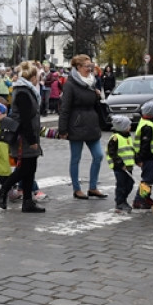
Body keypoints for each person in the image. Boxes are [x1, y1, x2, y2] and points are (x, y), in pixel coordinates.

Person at [0, 61, 45, 213]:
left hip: (29, 135)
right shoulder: (23, 92)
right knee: (24, 169)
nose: (38, 78)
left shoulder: (27, 90)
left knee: (31, 169)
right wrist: (31, 140)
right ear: (31, 77)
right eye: (37, 75)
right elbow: (24, 119)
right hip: (23, 137)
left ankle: (28, 202)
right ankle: (3, 190)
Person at [57, 54, 107, 200]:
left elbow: (95, 103)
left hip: (92, 124)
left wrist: (97, 95)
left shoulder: (92, 82)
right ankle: (76, 189)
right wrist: (63, 129)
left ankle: (92, 187)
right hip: (76, 125)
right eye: (87, 66)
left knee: (98, 156)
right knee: (76, 158)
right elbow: (65, 108)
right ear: (78, 67)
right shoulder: (70, 84)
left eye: (91, 66)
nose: (90, 69)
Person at [107, 115, 136, 213]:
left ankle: (123, 200)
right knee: (121, 185)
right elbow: (112, 153)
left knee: (130, 184)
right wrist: (120, 163)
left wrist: (137, 159)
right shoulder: (115, 138)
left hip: (128, 166)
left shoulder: (127, 136)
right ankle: (120, 202)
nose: (130, 127)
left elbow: (131, 150)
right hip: (120, 167)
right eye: (128, 126)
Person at [132, 102, 153, 209]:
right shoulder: (148, 126)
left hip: (146, 157)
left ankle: (145, 197)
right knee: (148, 179)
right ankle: (140, 199)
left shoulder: (144, 122)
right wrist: (139, 159)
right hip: (147, 157)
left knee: (150, 178)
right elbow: (145, 145)